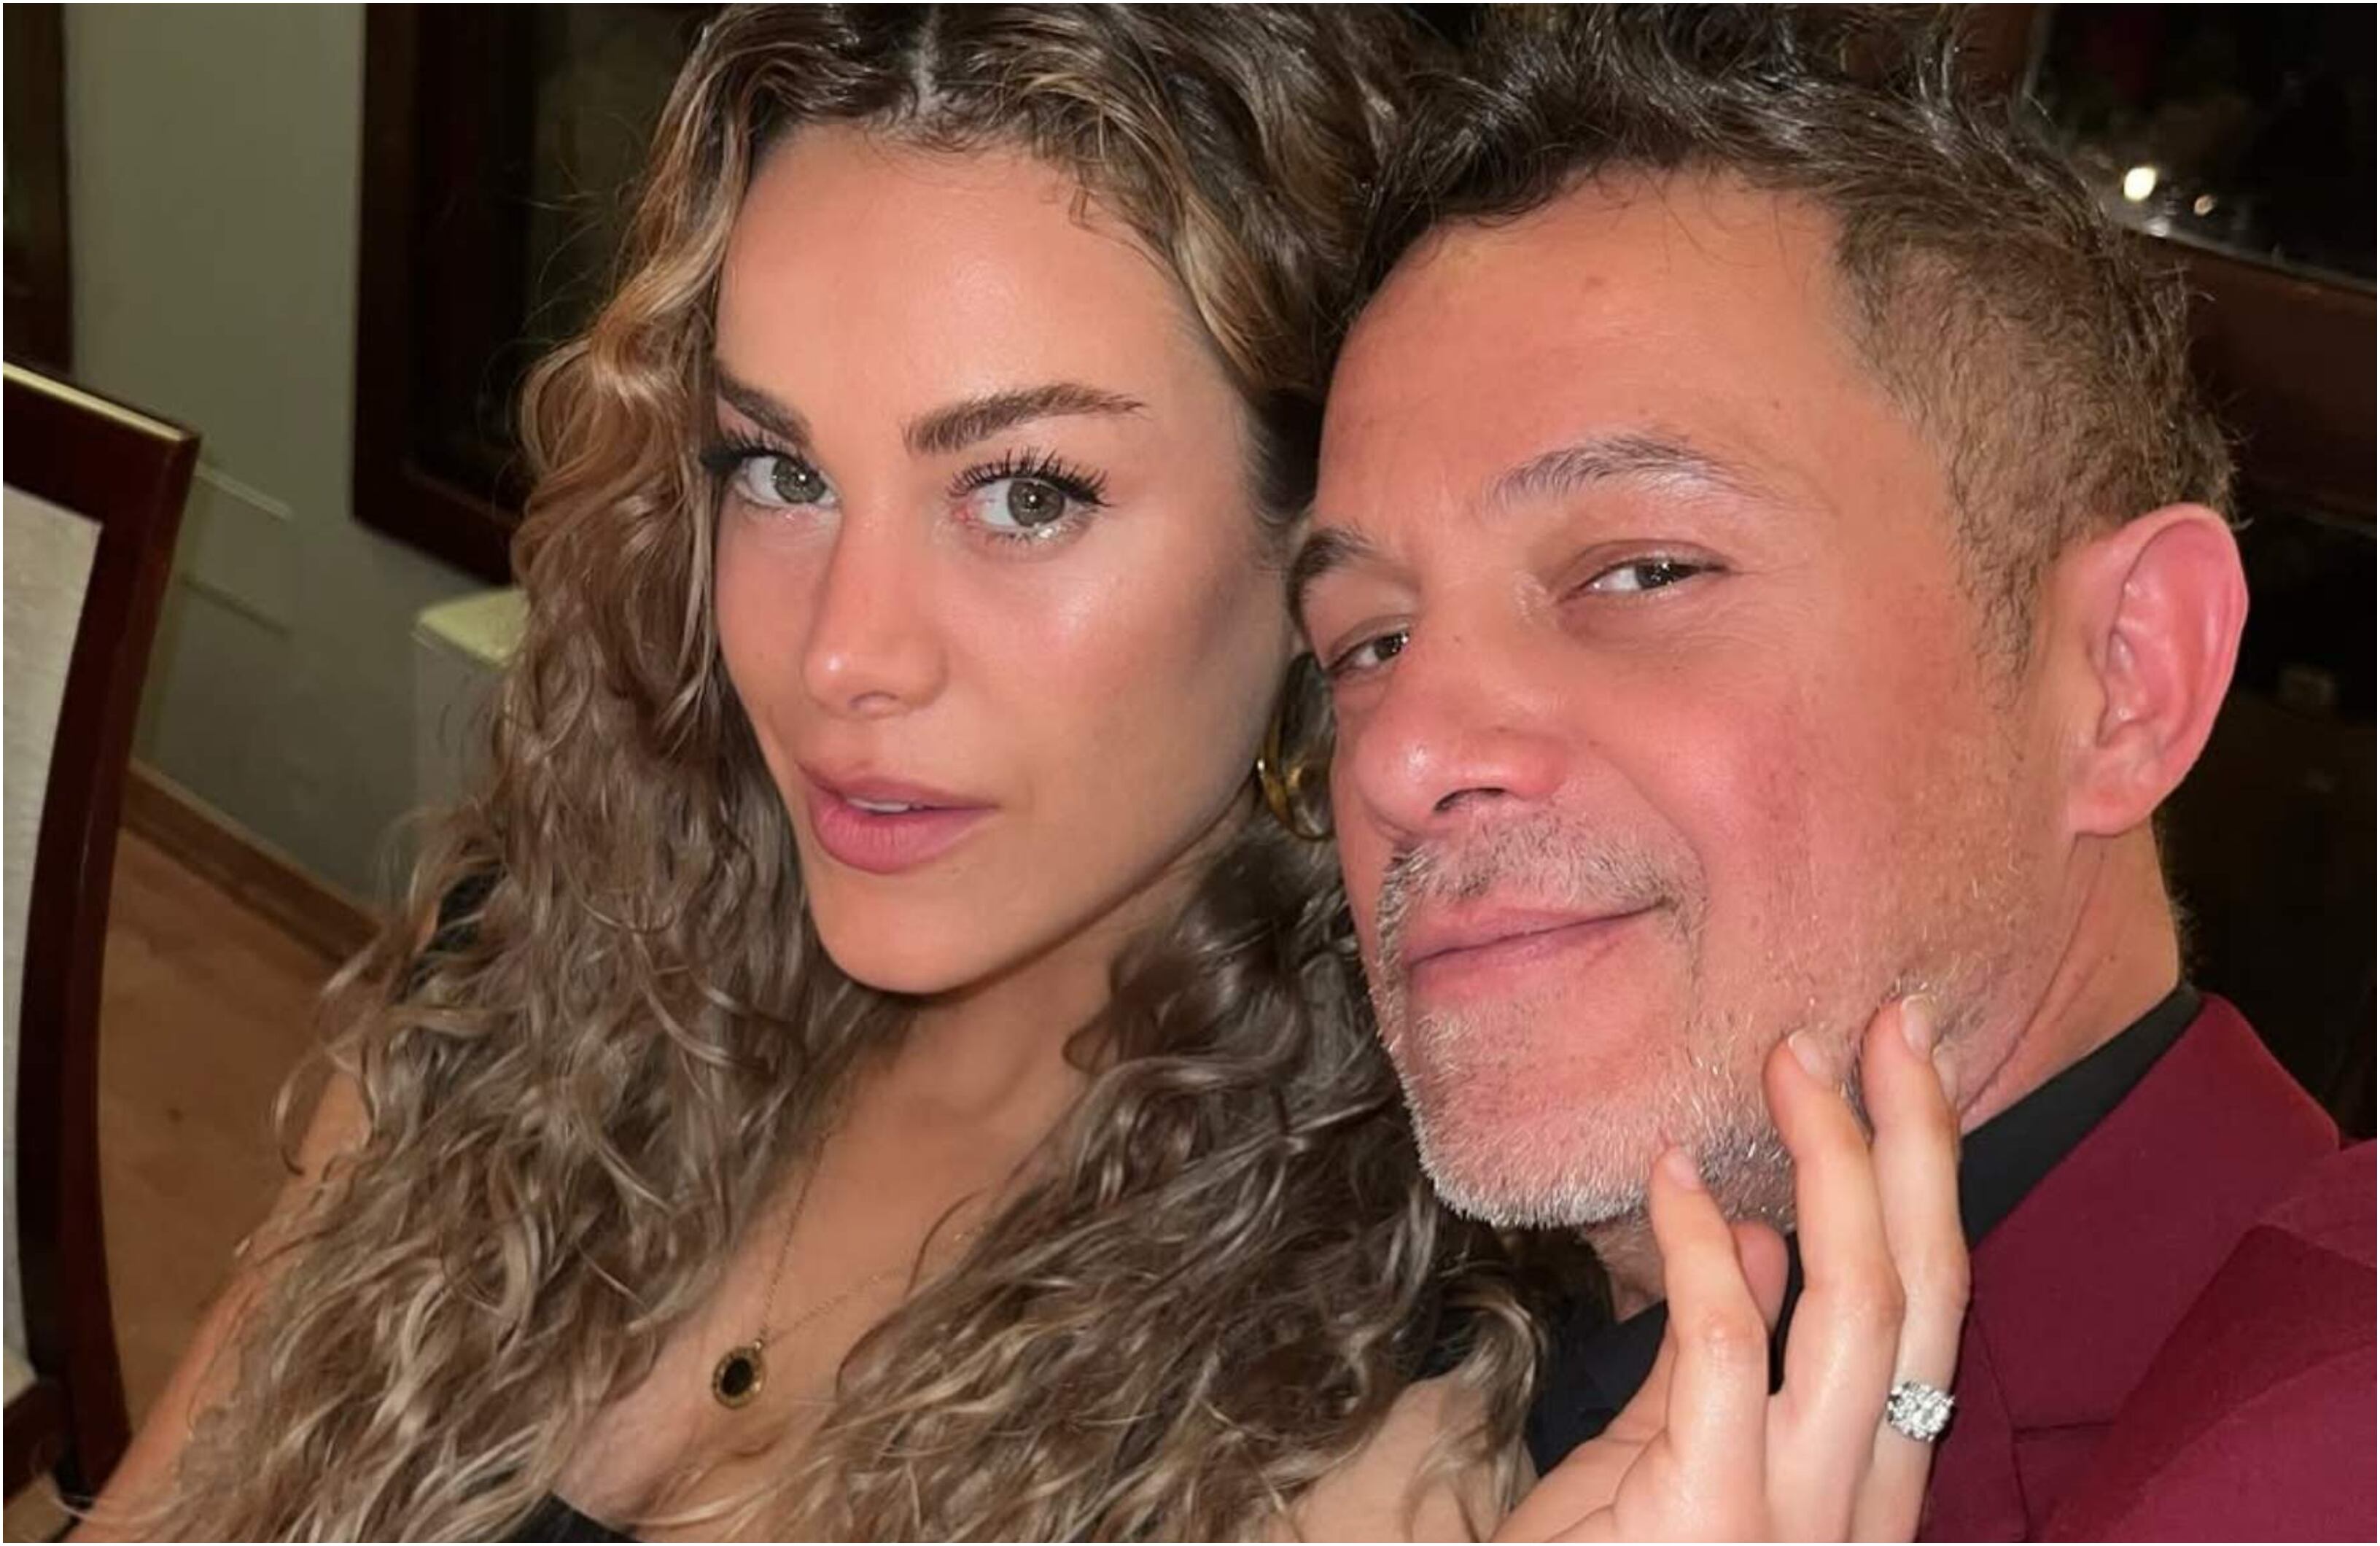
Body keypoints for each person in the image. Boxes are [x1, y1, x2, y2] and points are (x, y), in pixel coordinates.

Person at [83, 7, 1963, 1542]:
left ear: (1313, 548)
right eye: (778, 470)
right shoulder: (548, 961)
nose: (844, 653)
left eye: (1029, 493)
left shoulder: (1392, 1382)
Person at [1299, 7, 2376, 1540]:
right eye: (1368, 643)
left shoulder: (2327, 1440)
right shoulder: (1349, 1386)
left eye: (1643, 570)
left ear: (2126, 678)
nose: (1403, 755)